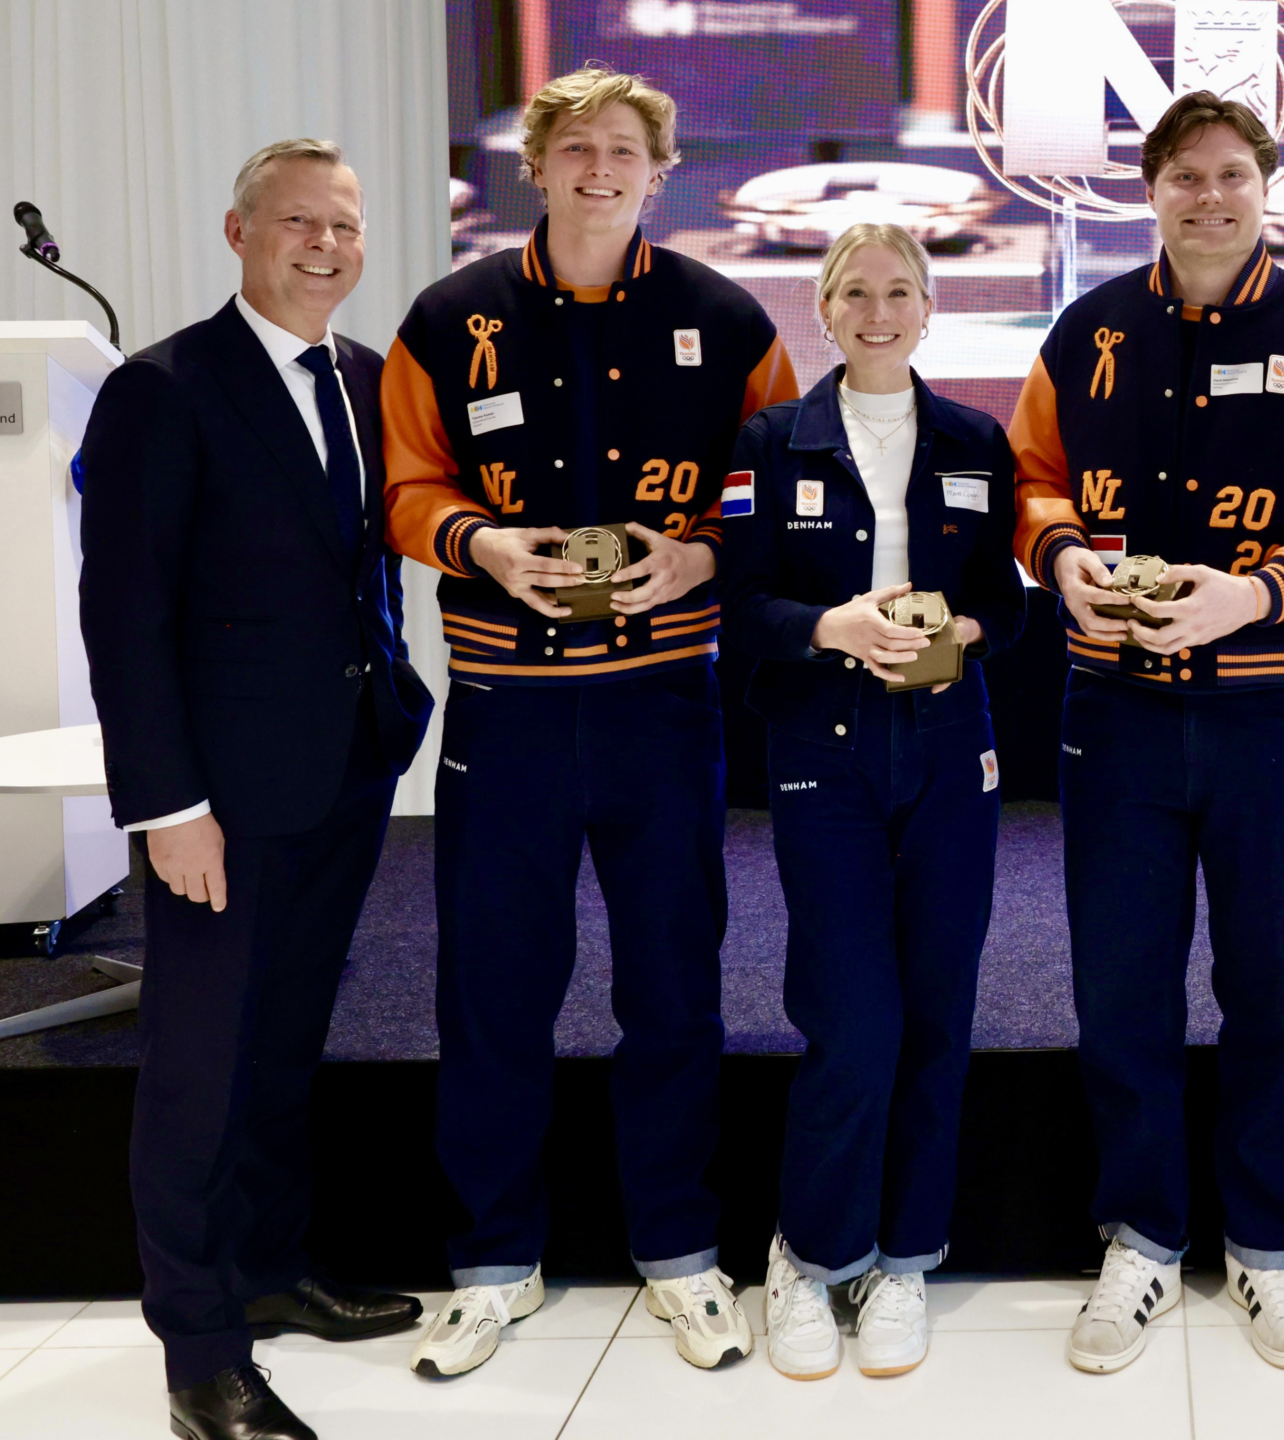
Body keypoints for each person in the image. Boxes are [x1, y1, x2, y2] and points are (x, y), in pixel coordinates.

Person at [380, 63, 797, 1377]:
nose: (601, 171)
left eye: (626, 151)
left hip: (663, 708)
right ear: (538, 164)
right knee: (493, 990)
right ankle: (494, 1259)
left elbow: (771, 483)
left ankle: (679, 1248)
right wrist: (486, 547)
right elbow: (404, 487)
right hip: (505, 710)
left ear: (660, 171)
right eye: (578, 149)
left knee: (672, 988)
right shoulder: (450, 317)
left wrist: (699, 562)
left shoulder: (725, 316)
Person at [1008, 90, 1284, 1374]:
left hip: (1267, 710)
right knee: (1121, 991)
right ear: (1150, 190)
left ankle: (1266, 1248)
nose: (1209, 195)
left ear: (1265, 185)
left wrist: (1258, 591)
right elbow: (1031, 483)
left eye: (1232, 173)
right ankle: (1139, 1238)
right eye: (1184, 175)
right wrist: (1060, 557)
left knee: (1264, 996)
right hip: (1113, 714)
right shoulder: (1087, 332)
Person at [78, 137, 437, 1440]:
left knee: (284, 1047)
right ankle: (200, 1353)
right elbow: (123, 617)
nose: (325, 245)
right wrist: (168, 809)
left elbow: (367, 574)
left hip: (340, 778)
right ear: (239, 233)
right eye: (296, 223)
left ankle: (275, 1273)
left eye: (342, 224)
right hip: (217, 809)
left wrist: (388, 712)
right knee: (197, 1070)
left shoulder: (366, 376)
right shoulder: (163, 389)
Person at [719, 222, 1024, 1379]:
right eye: (857, 293)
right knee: (851, 1017)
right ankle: (814, 1251)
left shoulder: (974, 441)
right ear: (825, 308)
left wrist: (976, 626)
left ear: (930, 307)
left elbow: (1010, 598)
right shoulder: (771, 440)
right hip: (824, 756)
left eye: (901, 291)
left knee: (939, 1013)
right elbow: (741, 608)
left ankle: (906, 1256)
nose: (879, 311)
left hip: (950, 752)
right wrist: (828, 628)